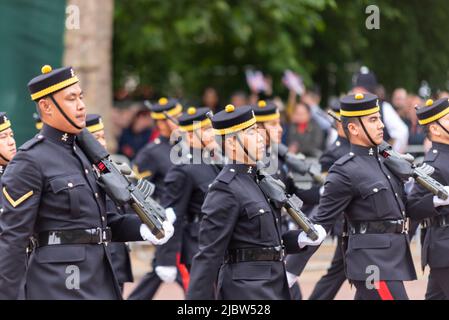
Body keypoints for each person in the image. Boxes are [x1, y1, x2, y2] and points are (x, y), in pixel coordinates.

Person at [0, 65, 173, 299]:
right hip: (58, 285)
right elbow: (12, 240)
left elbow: (100, 222)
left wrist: (142, 227)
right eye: (71, 99)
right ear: (46, 107)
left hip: (99, 277)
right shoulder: (30, 161)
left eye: (81, 97)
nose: (81, 105)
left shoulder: (84, 155)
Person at [186, 104, 326, 300]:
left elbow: (263, 240)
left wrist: (300, 239)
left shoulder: (259, 180)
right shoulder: (225, 188)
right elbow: (208, 255)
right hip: (245, 291)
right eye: (251, 133)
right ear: (233, 144)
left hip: (274, 284)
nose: (261, 138)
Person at [300, 92, 417, 300]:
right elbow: (320, 224)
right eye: (373, 120)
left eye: (379, 118)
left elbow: (407, 208)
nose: (381, 125)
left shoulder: (385, 162)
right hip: (373, 264)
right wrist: (291, 270)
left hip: (392, 259)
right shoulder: (344, 170)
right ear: (353, 128)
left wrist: (435, 199)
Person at [156, 106, 222, 292]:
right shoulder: (183, 170)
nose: (213, 134)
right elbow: (172, 215)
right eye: (207, 130)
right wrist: (166, 259)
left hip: (218, 243)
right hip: (197, 248)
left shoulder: (214, 162)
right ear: (191, 137)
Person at [128, 97, 185, 299]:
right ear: (161, 122)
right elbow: (137, 189)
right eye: (175, 118)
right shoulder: (151, 152)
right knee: (194, 281)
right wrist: (155, 214)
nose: (180, 121)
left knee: (164, 272)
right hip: (170, 223)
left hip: (192, 224)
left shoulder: (188, 148)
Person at [85, 114, 134, 293]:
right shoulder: (83, 174)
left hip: (117, 251)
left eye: (103, 137)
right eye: (96, 138)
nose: (102, 143)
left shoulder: (107, 168)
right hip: (99, 256)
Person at [407, 98, 449, 299]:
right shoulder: (433, 163)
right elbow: (413, 206)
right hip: (444, 245)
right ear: (436, 129)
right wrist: (438, 200)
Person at [352, 68, 409, 153]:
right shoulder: (350, 108)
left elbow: (402, 133)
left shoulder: (384, 107)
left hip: (378, 161)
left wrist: (388, 155)